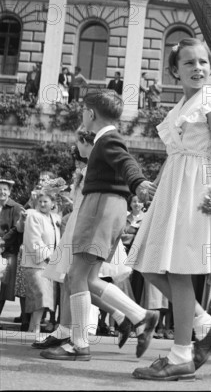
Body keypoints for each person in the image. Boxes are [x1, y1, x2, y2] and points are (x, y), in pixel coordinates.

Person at [129, 38, 211, 381]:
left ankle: (181, 354)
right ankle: (206, 323)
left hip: (197, 185)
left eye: (203, 63)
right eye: (189, 63)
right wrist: (154, 188)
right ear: (175, 71)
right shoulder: (179, 105)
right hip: (173, 187)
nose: (197, 68)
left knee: (177, 269)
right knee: (147, 262)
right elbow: (172, 154)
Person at [40, 90, 157, 362]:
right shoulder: (107, 139)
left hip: (100, 207)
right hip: (109, 208)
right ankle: (141, 316)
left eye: (83, 111)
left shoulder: (107, 139)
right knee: (85, 277)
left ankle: (78, 345)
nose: (82, 115)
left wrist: (138, 182)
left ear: (91, 114)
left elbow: (126, 162)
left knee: (78, 276)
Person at [20, 183, 61, 342]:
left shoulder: (55, 218)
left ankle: (33, 329)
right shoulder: (33, 215)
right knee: (41, 296)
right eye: (40, 201)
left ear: (52, 203)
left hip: (50, 265)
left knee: (45, 300)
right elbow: (33, 240)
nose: (43, 204)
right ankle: (35, 328)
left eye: (46, 201)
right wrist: (49, 257)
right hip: (36, 263)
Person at [0, 178, 25, 324]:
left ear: (9, 192)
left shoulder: (16, 207)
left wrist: (3, 240)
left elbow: (17, 228)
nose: (2, 192)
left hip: (9, 251)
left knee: (4, 286)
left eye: (5, 189)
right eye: (0, 188)